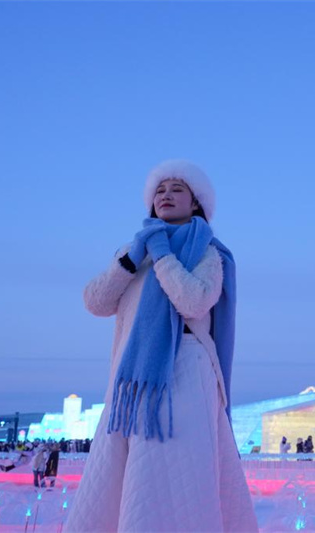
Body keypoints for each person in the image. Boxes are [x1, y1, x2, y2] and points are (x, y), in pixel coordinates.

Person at [64, 160, 257, 532]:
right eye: (160, 190)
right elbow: (96, 303)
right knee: (125, 480)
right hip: (133, 379)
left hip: (186, 372)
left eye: (176, 189)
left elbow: (195, 302)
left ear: (196, 203)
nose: (165, 195)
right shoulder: (132, 252)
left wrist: (164, 254)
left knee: (180, 471)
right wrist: (129, 260)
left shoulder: (207, 253)